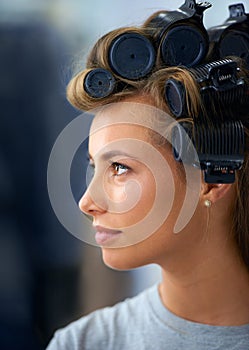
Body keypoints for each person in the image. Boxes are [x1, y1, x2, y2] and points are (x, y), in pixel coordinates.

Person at [47, 1, 249, 349]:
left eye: (120, 168)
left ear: (213, 178)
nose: (86, 202)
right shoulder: (81, 344)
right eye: (94, 165)